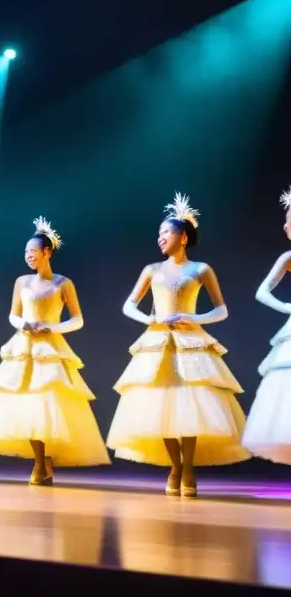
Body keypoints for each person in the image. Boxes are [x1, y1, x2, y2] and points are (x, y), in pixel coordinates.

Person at [106, 193, 249, 496]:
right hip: (157, 342)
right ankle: (175, 465)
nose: (161, 238)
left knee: (192, 404)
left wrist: (191, 316)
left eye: (166, 233)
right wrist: (149, 320)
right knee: (161, 404)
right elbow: (129, 305)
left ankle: (187, 468)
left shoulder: (200, 270)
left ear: (183, 237)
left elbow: (221, 309)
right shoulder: (152, 270)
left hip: (190, 341)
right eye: (159, 234)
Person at [0, 218, 110, 486]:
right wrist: (23, 323)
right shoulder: (22, 282)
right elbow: (13, 314)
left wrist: (51, 326)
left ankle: (45, 460)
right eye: (25, 253)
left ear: (47, 252)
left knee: (48, 402)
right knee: (29, 402)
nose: (28, 256)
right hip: (24, 346)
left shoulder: (63, 283)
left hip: (50, 348)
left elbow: (78, 319)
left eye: (33, 251)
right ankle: (39, 461)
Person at [243, 186, 291, 463]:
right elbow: (262, 291)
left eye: (290, 219)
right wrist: (286, 307)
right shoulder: (287, 258)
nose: (286, 226)